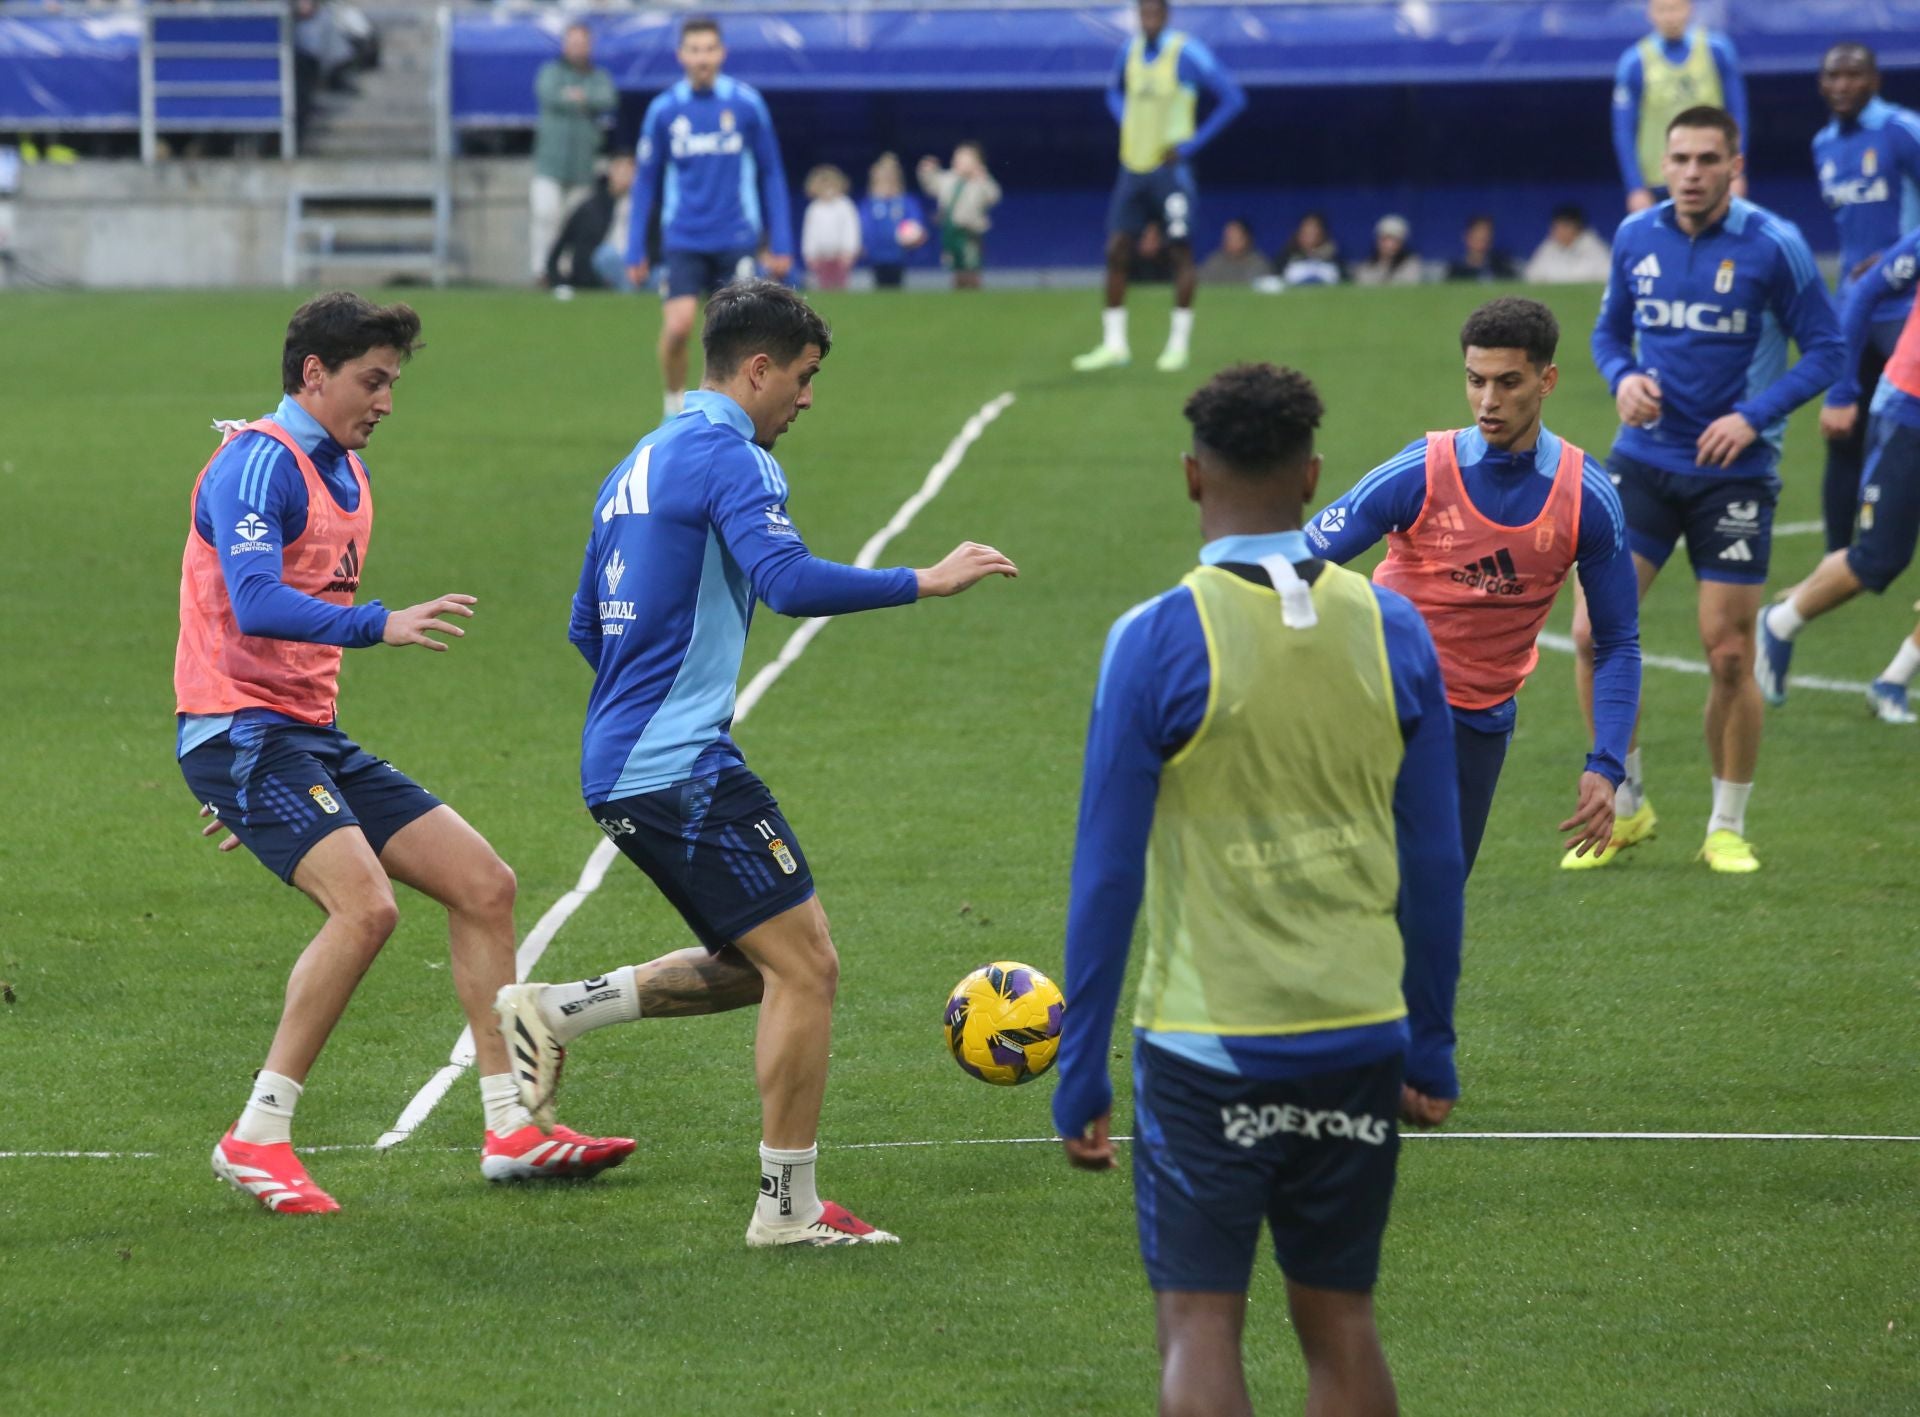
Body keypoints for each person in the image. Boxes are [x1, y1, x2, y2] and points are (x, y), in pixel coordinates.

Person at [493, 281, 1018, 1247]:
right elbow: (785, 581)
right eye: (805, 377)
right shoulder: (733, 455)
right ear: (760, 368)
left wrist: (650, 699)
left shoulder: (639, 459)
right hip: (677, 765)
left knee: (762, 963)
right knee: (809, 966)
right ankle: (788, 1208)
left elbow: (582, 624)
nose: (808, 400)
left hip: (624, 759)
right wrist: (926, 579)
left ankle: (555, 1009)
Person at [1052, 362, 1465, 1417]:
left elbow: (1106, 871)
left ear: (1193, 477)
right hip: (1361, 1028)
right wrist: (1431, 1036)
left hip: (1206, 1043)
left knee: (1198, 1322)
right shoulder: (1395, 627)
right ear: (1314, 474)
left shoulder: (1152, 640)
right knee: (1341, 1322)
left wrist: (1079, 1066)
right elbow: (1434, 859)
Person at [180, 293, 633, 1214]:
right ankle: (257, 1134)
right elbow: (257, 600)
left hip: (297, 741)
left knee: (485, 884)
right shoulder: (254, 466)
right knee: (366, 908)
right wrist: (379, 624)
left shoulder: (343, 469)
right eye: (371, 380)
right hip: (244, 732)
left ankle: (511, 1124)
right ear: (314, 373)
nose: (386, 400)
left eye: (393, 382)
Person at [1583, 106, 1843, 874]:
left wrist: (1752, 416)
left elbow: (1826, 349)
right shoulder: (1636, 237)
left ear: (1735, 163)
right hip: (1644, 459)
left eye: (1707, 159)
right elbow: (1607, 334)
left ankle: (1726, 825)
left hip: (1735, 472)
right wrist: (1622, 376)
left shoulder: (1774, 245)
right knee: (1597, 633)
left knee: (1728, 651)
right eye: (1680, 159)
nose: (1692, 172)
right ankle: (1626, 807)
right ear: (1662, 164)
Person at [1306, 298, 1641, 874]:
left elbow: (1616, 642)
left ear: (1547, 380)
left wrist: (1607, 764)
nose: (1488, 401)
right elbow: (1297, 560)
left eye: (1508, 382)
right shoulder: (1421, 471)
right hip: (1385, 696)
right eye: (1476, 381)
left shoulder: (1587, 497)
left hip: (1479, 722)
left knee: (1433, 903)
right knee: (1355, 889)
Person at [1757, 228, 1920, 725]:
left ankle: (1893, 680)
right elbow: (1866, 290)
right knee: (1879, 559)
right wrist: (1844, 387)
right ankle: (1781, 622)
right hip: (1910, 411)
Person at [626, 17, 795, 422]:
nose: (702, 58)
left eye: (709, 49)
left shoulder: (746, 104)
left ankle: (735, 417)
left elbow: (771, 172)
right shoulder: (664, 110)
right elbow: (645, 181)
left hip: (736, 236)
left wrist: (782, 241)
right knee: (680, 328)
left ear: (722, 53)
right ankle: (673, 407)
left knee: (739, 337)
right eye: (694, 50)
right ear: (681, 55)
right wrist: (635, 247)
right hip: (684, 236)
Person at [1071, 0, 1245, 374]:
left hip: (1171, 172)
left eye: (1153, 13)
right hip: (1133, 167)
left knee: (1179, 251)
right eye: (1141, 13)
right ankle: (1114, 344)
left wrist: (1189, 146)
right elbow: (1112, 92)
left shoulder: (1186, 51)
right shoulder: (1129, 50)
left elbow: (1233, 98)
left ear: (1166, 15)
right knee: (1117, 249)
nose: (1146, 20)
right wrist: (1127, 122)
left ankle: (1177, 345)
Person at [1810, 44, 1920, 554]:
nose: (1842, 85)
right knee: (1843, 433)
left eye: (1854, 75)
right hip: (1853, 311)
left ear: (1875, 81)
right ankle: (1836, 559)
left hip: (1908, 308)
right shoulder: (1824, 144)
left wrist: (1894, 255)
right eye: (1833, 76)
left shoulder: (1902, 129)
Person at [1612, 0, 1746, 215]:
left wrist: (1737, 172)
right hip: (1658, 183)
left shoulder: (1717, 50)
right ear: (1651, 14)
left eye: (1675, 8)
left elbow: (1738, 114)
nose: (1670, 17)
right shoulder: (1634, 62)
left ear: (1689, 10)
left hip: (1712, 176)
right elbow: (1623, 131)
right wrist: (1635, 187)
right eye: (1662, 10)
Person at [531, 22, 616, 284]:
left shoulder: (597, 75)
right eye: (573, 42)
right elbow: (549, 95)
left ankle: (565, 273)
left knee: (574, 224)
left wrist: (580, 97)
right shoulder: (551, 71)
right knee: (545, 216)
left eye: (582, 43)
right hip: (550, 162)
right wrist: (580, 99)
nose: (578, 48)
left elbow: (608, 99)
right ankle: (542, 272)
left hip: (582, 165)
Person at [545, 155, 635, 294]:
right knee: (607, 255)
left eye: (630, 173)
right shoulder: (590, 208)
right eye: (621, 172)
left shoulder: (644, 208)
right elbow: (561, 244)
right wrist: (557, 279)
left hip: (636, 267)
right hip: (599, 274)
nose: (625, 178)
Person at [917, 143, 1001, 290]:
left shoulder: (978, 182)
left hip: (970, 230)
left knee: (971, 263)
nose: (960, 162)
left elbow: (993, 196)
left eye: (966, 160)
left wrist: (983, 179)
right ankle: (958, 288)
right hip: (951, 229)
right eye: (958, 158)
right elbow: (931, 185)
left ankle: (973, 287)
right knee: (955, 265)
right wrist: (926, 172)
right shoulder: (949, 179)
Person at [858, 152, 929, 290]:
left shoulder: (905, 201)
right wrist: (863, 243)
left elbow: (916, 221)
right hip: (876, 255)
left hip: (899, 255)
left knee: (896, 286)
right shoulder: (870, 203)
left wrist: (917, 233)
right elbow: (864, 224)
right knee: (879, 286)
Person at [800, 164, 860, 291]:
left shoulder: (845, 205)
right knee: (823, 286)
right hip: (821, 257)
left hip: (841, 256)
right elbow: (810, 233)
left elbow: (850, 229)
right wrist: (810, 254)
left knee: (841, 285)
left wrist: (849, 250)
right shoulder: (814, 208)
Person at [1523, 204, 1613, 285]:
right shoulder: (1548, 247)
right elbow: (1531, 277)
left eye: (1564, 227)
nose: (1558, 231)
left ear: (1577, 228)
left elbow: (1606, 280)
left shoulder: (1595, 249)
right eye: (1556, 227)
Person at [1351, 215, 1423, 287]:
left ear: (1402, 242)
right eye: (1384, 239)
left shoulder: (1411, 264)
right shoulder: (1367, 266)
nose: (1389, 245)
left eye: (1394, 240)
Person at [1196, 216, 1272, 285]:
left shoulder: (1259, 264)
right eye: (1227, 237)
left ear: (1246, 239)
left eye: (1233, 237)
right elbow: (1199, 280)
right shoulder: (1216, 260)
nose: (1228, 241)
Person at [1445, 215, 1517, 283]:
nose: (1482, 241)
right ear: (1467, 237)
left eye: (1485, 237)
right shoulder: (1456, 271)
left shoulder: (1502, 269)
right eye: (1478, 237)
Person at [1276, 211, 1341, 286]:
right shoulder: (1286, 256)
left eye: (1313, 231)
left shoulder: (1334, 256)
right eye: (1306, 231)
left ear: (1322, 233)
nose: (1310, 235)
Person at [1129, 220, 1175, 284]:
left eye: (1153, 240)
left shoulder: (1168, 261)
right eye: (1147, 239)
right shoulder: (1131, 262)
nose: (1150, 244)